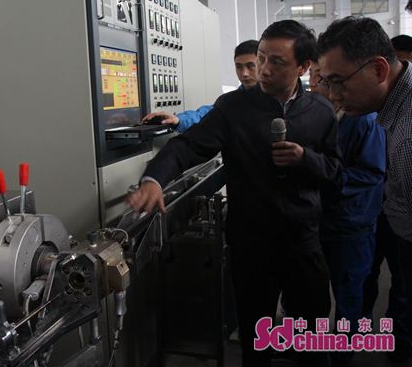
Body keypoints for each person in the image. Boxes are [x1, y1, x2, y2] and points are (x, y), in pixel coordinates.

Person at [127, 20, 341, 367]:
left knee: (312, 337)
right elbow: (187, 147)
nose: (263, 70)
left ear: (303, 67)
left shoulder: (321, 111)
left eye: (277, 62)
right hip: (251, 245)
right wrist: (154, 179)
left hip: (303, 242)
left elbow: (335, 170)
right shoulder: (233, 108)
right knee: (255, 341)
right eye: (261, 58)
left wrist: (306, 159)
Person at [317, 16, 412, 362]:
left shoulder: (405, 140)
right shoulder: (392, 110)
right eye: (325, 82)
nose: (333, 95)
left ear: (379, 69)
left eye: (339, 82)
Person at [309, 56, 386, 366]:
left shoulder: (364, 119)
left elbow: (371, 173)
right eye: (314, 77)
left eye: (324, 78)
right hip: (320, 221)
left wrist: (322, 175)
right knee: (313, 292)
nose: (316, 84)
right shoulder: (322, 116)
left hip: (351, 224)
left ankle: (342, 355)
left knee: (348, 294)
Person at [142, 40, 259, 132]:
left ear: (263, 64)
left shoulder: (270, 99)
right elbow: (205, 115)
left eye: (251, 66)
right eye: (239, 67)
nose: (244, 73)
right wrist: (178, 119)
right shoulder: (230, 102)